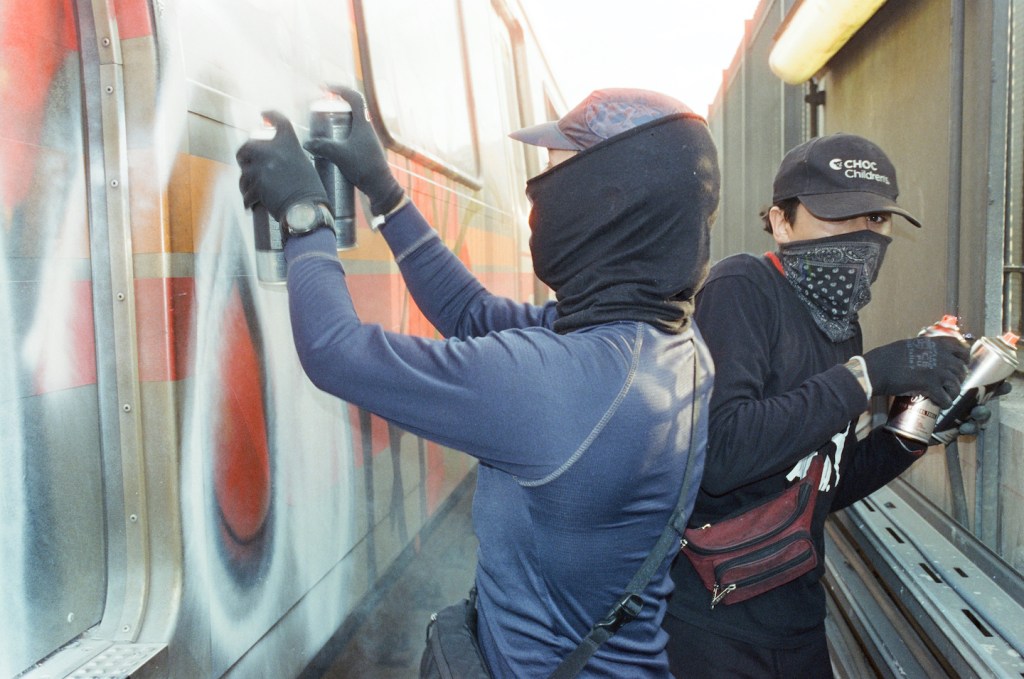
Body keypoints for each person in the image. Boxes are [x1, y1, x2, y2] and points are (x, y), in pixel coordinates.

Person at [236, 86, 720, 677]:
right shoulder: (666, 342)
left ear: (610, 198)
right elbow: (473, 315)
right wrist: (383, 191)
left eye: (556, 170)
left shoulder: (563, 385)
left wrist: (303, 217)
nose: (538, 192)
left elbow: (336, 353)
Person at [663, 132, 977, 678]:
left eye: (877, 220)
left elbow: (820, 483)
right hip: (716, 627)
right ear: (781, 222)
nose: (862, 235)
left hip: (798, 619)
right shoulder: (742, 289)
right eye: (840, 214)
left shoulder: (837, 325)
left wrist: (915, 429)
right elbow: (723, 456)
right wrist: (868, 375)